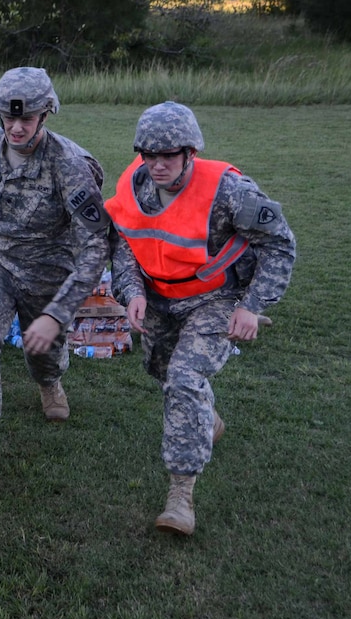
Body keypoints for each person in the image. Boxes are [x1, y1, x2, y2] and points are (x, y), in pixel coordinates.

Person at [105, 101, 295, 536]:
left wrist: (252, 305)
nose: (157, 165)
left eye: (168, 156)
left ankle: (180, 495)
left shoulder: (230, 191)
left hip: (217, 298)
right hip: (160, 298)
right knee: (160, 368)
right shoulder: (135, 185)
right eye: (149, 155)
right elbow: (126, 243)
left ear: (190, 152)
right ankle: (207, 418)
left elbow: (279, 245)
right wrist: (131, 291)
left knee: (184, 377)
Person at [0, 67, 110, 473]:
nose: (16, 128)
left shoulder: (69, 165)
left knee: (44, 352)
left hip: (49, 271)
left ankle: (50, 382)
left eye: (27, 119)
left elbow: (97, 242)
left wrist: (58, 312)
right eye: (8, 117)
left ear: (46, 114)